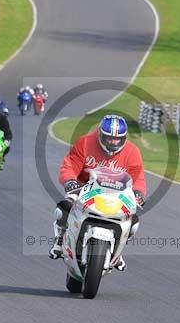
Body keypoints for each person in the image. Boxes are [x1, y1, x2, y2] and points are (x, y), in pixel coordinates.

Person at [49, 115, 146, 271]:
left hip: (117, 194)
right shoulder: (85, 143)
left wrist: (139, 193)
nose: (112, 142)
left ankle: (117, 252)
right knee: (63, 208)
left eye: (117, 139)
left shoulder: (132, 152)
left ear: (124, 138)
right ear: (100, 133)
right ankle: (60, 241)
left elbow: (138, 177)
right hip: (84, 188)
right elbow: (70, 164)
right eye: (108, 138)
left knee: (133, 220)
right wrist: (70, 181)